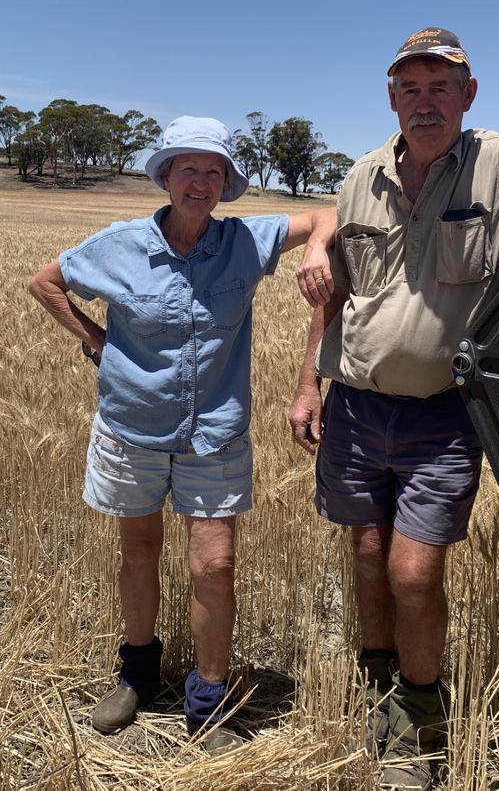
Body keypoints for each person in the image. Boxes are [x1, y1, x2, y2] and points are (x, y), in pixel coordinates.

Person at [288, 28, 499, 789]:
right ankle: (380, 685)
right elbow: (339, 287)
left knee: (414, 571)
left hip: (443, 417)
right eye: (409, 88)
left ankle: (421, 712)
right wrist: (310, 381)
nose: (424, 101)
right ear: (390, 98)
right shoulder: (359, 177)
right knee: (368, 554)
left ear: (468, 94)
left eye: (440, 85)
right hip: (354, 405)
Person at [29, 115, 335, 753]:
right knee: (138, 551)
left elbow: (326, 213)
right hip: (131, 427)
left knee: (215, 565)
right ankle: (137, 673)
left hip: (214, 432)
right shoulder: (119, 245)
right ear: (165, 176)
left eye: (214, 170)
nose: (201, 181)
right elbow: (44, 282)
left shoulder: (244, 243)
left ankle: (208, 697)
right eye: (188, 168)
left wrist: (315, 249)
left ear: (227, 182)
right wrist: (97, 343)